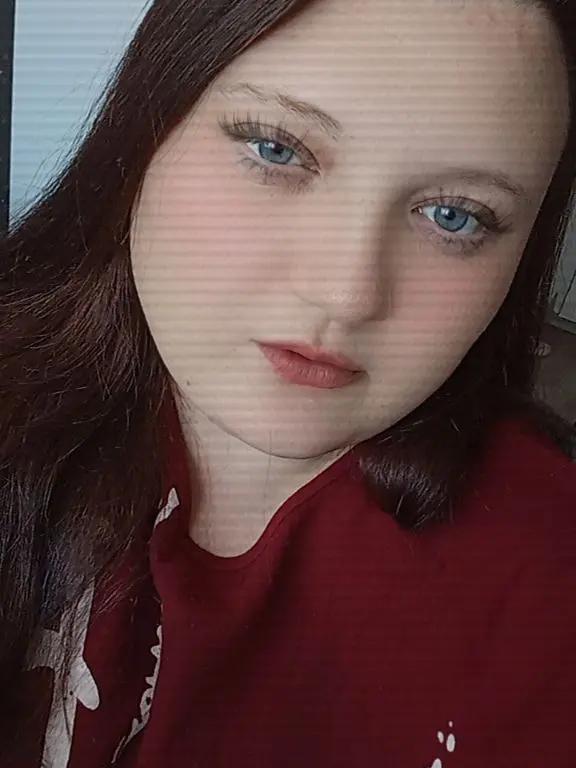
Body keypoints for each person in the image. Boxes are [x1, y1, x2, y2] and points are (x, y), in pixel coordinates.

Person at [1, 0, 575, 764]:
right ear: (146, 127)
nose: (347, 293)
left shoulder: (547, 586)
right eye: (276, 149)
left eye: (454, 215)